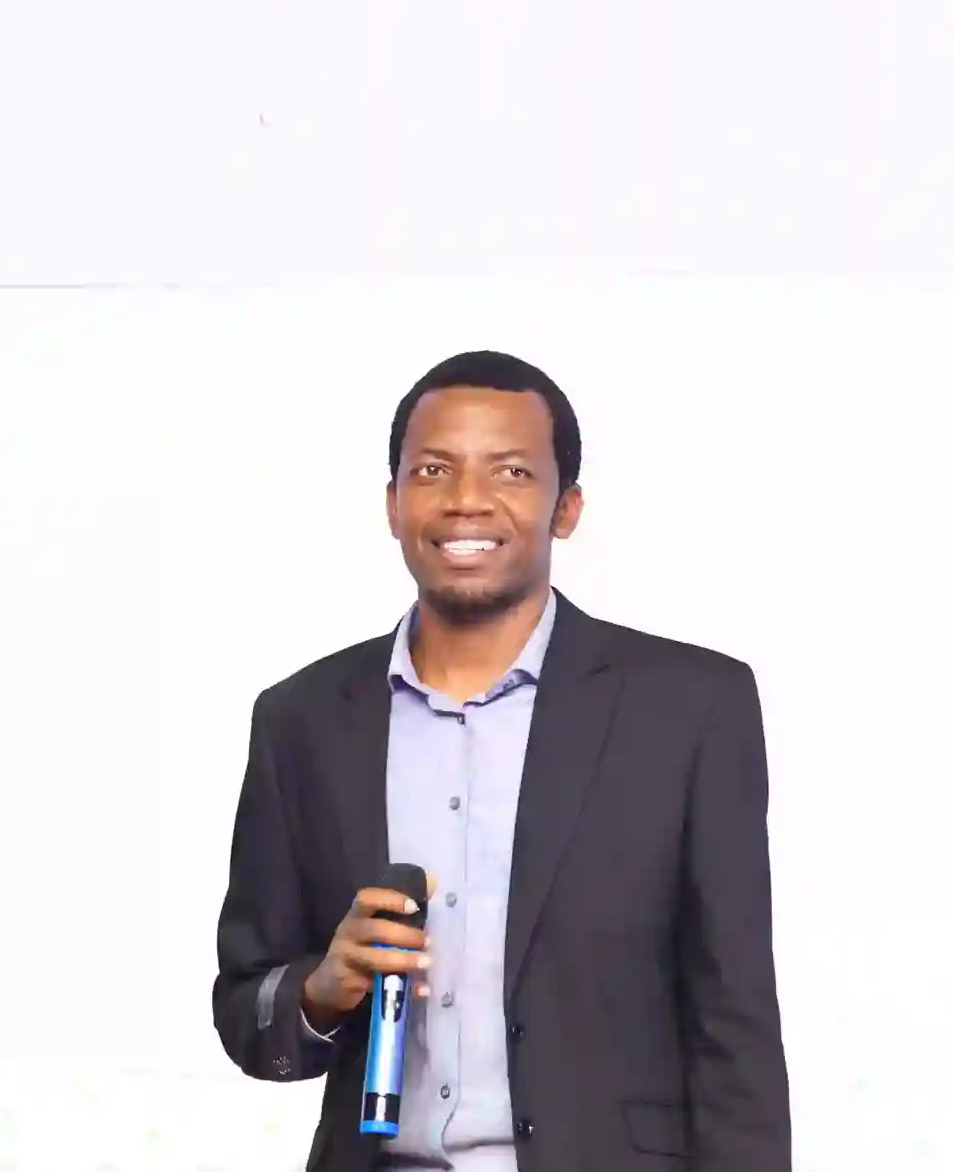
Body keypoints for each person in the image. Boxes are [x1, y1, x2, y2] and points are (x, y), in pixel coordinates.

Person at [212, 350, 791, 1172]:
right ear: (392, 502)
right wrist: (321, 988)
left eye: (511, 471)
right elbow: (247, 1010)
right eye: (433, 470)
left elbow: (735, 1024)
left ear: (567, 507)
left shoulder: (690, 709)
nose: (466, 499)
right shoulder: (301, 720)